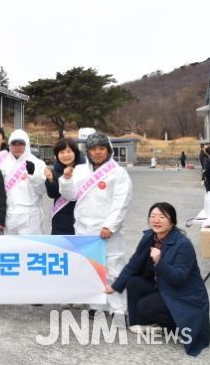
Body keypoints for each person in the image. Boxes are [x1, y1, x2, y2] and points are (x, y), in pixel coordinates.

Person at [106, 203, 210, 357]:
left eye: (162, 217)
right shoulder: (150, 237)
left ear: (172, 221)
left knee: (145, 306)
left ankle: (177, 327)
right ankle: (140, 323)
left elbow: (179, 278)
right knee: (134, 282)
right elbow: (133, 264)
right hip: (163, 287)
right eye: (153, 216)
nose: (156, 220)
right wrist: (115, 286)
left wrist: (160, 261)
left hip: (184, 295)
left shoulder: (183, 245)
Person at [59, 132, 132, 320]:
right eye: (93, 149)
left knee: (114, 269)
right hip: (84, 227)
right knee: (92, 268)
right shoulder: (80, 170)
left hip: (107, 230)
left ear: (109, 150)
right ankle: (96, 305)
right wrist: (66, 180)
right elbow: (70, 195)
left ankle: (118, 309)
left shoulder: (118, 173)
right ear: (88, 151)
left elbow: (121, 201)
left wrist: (110, 225)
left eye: (101, 148)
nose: (97, 152)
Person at [2, 129, 47, 235]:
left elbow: (43, 190)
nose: (17, 147)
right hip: (9, 215)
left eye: (21, 143)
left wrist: (33, 176)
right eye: (14, 143)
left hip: (31, 216)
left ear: (26, 145)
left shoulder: (38, 163)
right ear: (9, 145)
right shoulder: (3, 164)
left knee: (31, 245)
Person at [43, 138, 85, 235]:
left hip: (83, 217)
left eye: (69, 151)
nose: (66, 155)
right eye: (61, 152)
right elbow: (52, 194)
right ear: (56, 155)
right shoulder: (54, 171)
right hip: (61, 219)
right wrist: (50, 180)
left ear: (75, 152)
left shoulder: (85, 170)